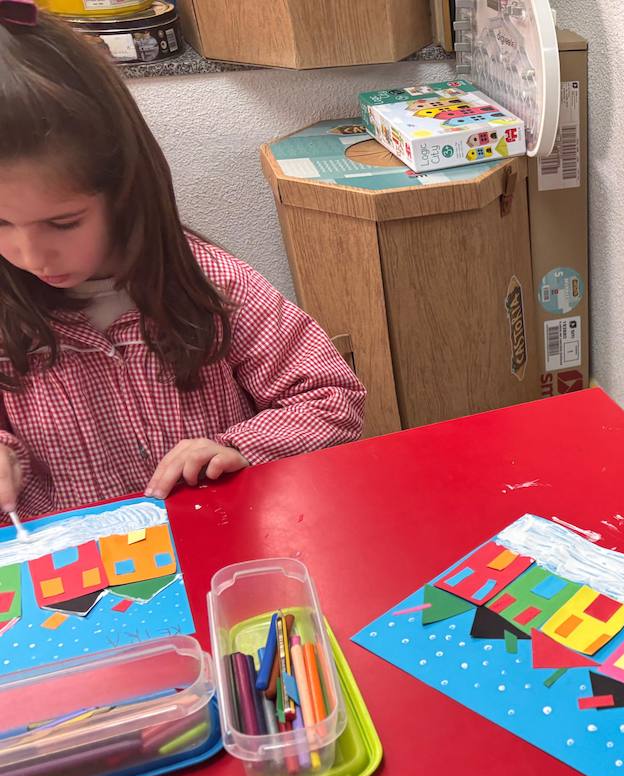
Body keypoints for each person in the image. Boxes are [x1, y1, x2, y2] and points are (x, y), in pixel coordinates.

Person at [0, 4, 365, 519]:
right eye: (0, 225)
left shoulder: (214, 285)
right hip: (78, 577)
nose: (31, 255)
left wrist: (239, 448)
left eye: (62, 223)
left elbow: (330, 397)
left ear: (124, 190)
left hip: (217, 544)